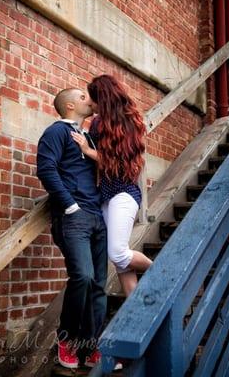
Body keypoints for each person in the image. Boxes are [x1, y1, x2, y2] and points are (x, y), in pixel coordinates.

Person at [37, 88, 108, 369]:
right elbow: (46, 169)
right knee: (84, 277)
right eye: (82, 97)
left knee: (99, 286)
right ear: (68, 106)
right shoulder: (56, 132)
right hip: (73, 217)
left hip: (97, 217)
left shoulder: (88, 137)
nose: (88, 100)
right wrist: (70, 205)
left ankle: (91, 349)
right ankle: (66, 340)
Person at [72, 75, 152, 297]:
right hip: (105, 195)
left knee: (117, 253)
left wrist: (88, 151)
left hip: (124, 193)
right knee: (121, 265)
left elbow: (117, 163)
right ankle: (134, 317)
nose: (90, 104)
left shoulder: (128, 122)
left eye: (93, 100)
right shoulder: (97, 123)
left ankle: (162, 272)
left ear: (103, 99)